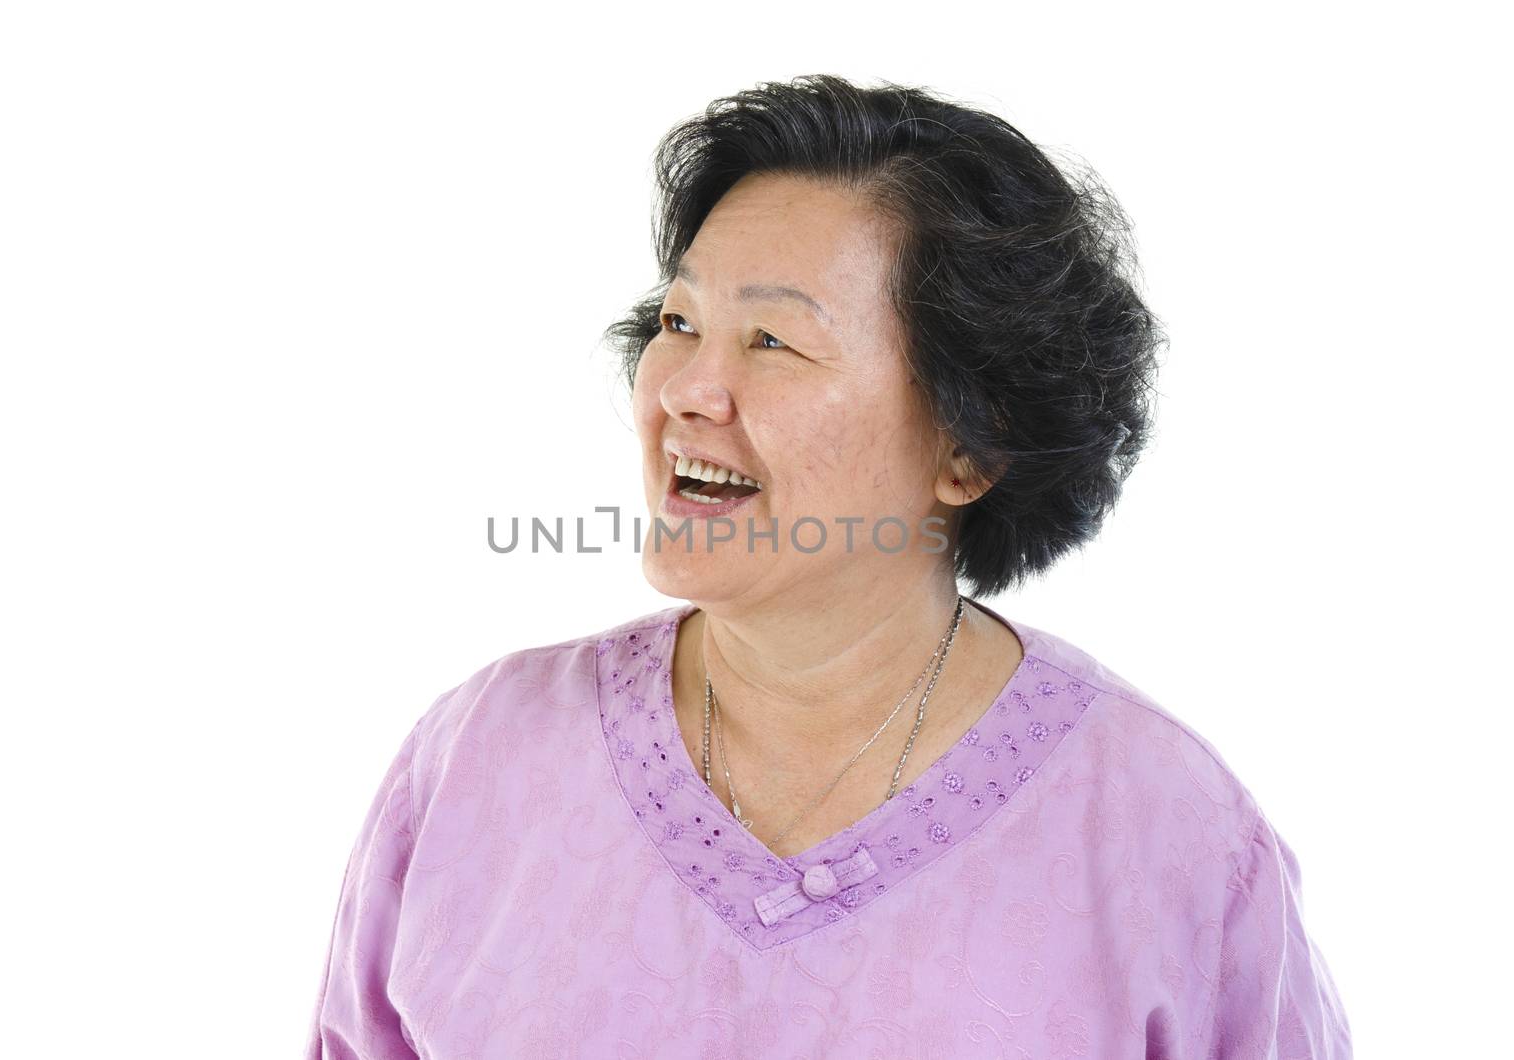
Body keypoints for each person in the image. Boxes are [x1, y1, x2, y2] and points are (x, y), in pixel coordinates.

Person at [305, 74, 1352, 1058]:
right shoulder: (478, 756)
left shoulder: (1164, 830)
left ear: (970, 445)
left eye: (771, 342)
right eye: (679, 323)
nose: (687, 391)